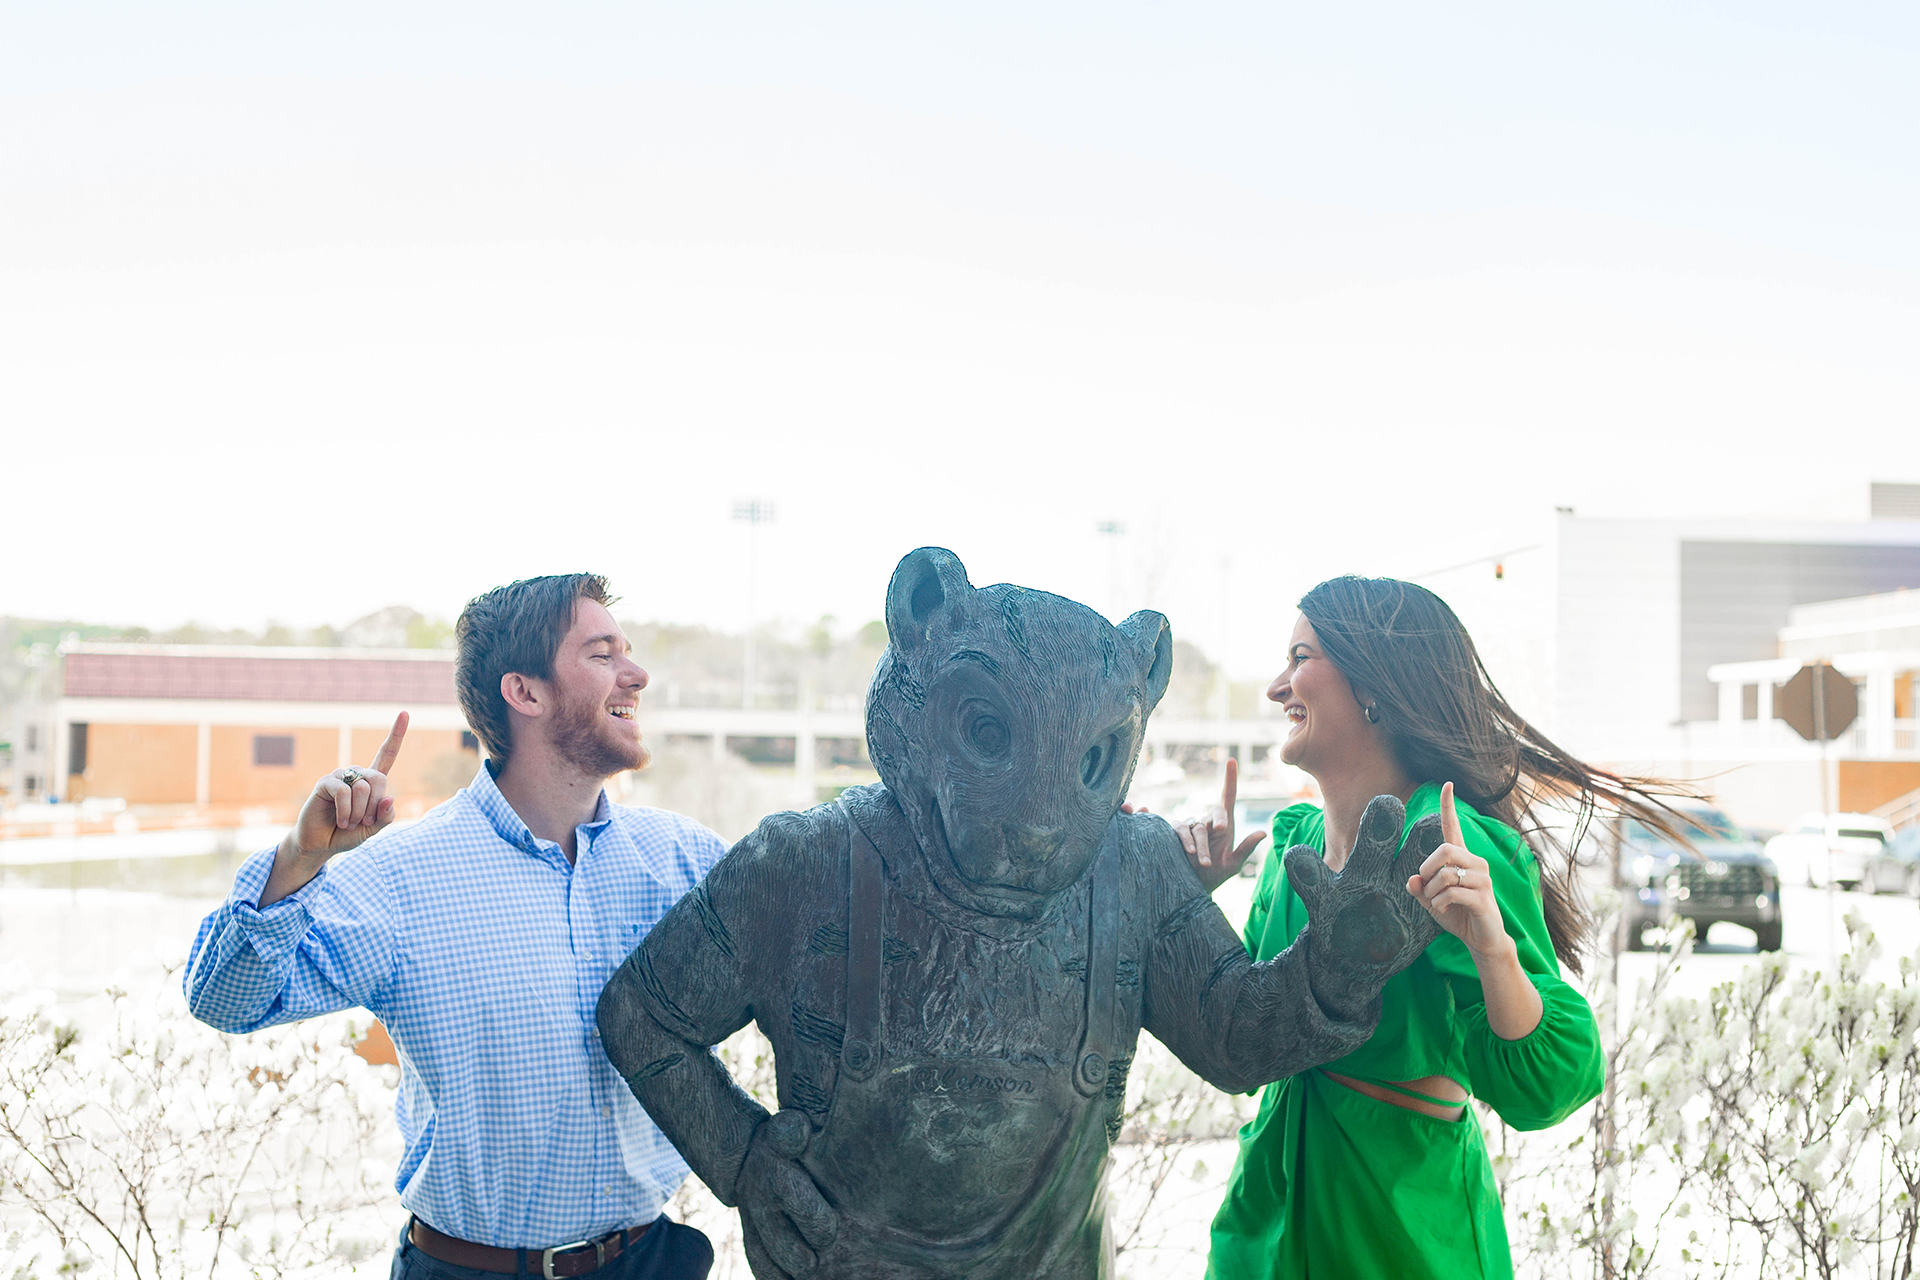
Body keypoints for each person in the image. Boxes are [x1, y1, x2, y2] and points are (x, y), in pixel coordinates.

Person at [184, 574, 722, 1280]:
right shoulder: (402, 877)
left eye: (627, 651)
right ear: (524, 692)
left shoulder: (687, 860)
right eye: (601, 654)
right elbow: (226, 1001)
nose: (637, 674)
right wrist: (299, 860)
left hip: (651, 1261)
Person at [1176, 575, 1687, 1280]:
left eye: (1300, 657)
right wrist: (1192, 900)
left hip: (1400, 1232)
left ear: (1373, 686)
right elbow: (1245, 1040)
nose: (1275, 686)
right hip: (1263, 1225)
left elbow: (1549, 1087)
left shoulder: (1450, 844)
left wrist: (1493, 949)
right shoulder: (1292, 841)